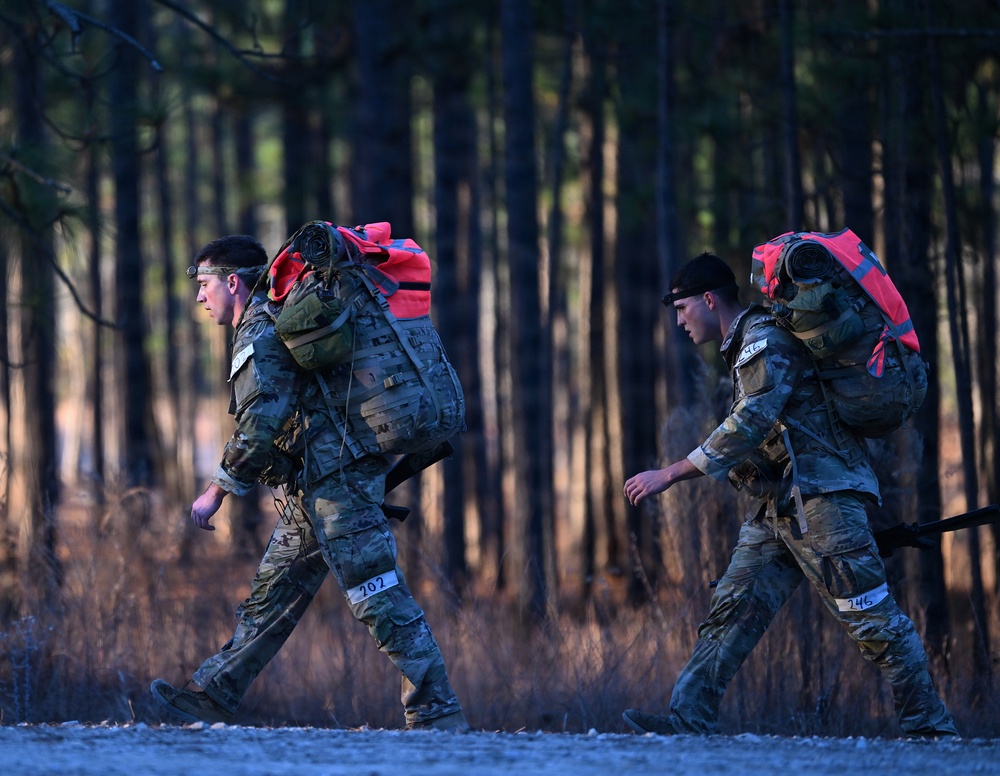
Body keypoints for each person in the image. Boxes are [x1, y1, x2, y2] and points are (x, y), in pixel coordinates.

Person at [621, 252, 957, 739]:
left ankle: (932, 732)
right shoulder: (745, 344)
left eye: (681, 309)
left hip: (824, 502)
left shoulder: (763, 338)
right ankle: (686, 721)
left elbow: (752, 420)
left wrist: (671, 473)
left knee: (872, 621)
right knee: (731, 612)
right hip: (779, 506)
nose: (679, 321)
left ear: (708, 300)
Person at [150, 235, 467, 731]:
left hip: (338, 482)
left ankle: (437, 711)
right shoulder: (271, 320)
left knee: (376, 592)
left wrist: (216, 492)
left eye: (205, 284)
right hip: (317, 481)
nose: (199, 297)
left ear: (233, 283)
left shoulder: (259, 329)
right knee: (274, 592)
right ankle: (211, 695)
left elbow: (261, 423)